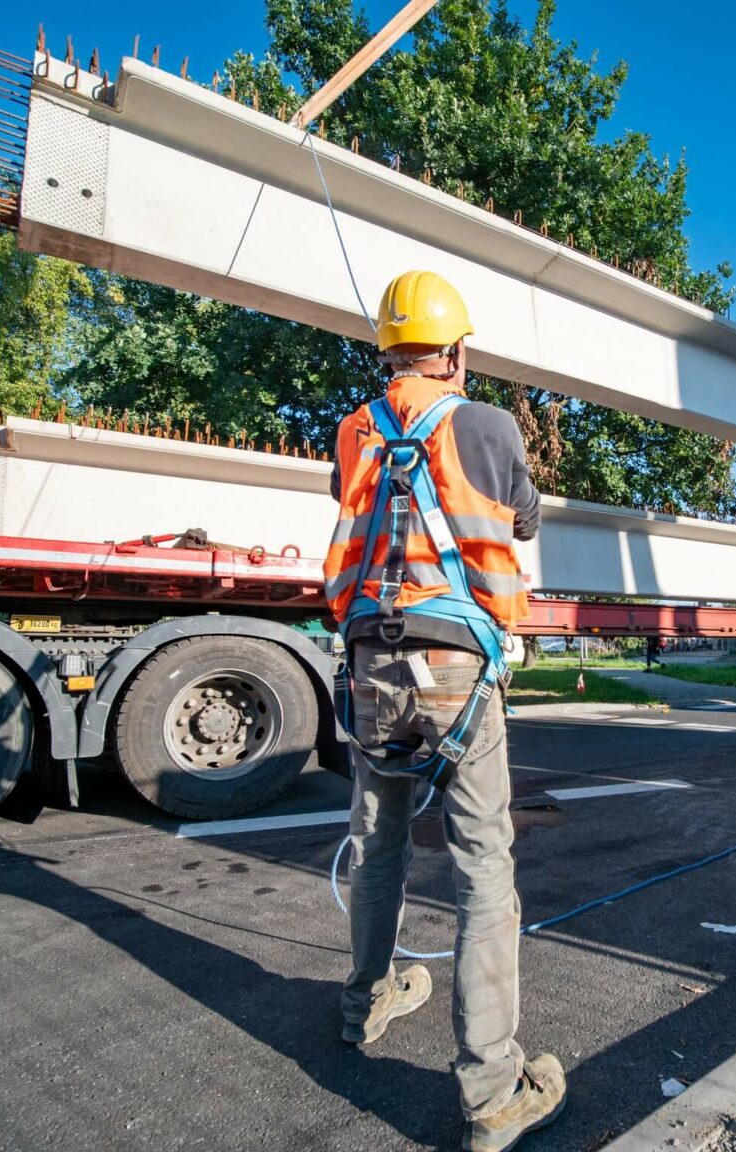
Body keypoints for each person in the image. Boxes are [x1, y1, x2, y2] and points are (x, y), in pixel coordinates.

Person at [323, 269, 564, 1151]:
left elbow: (362, 509)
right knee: (483, 868)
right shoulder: (489, 424)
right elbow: (525, 519)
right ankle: (493, 1093)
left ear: (388, 350)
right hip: (457, 668)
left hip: (370, 664)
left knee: (377, 836)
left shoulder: (352, 433)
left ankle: (366, 1002)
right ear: (458, 350)